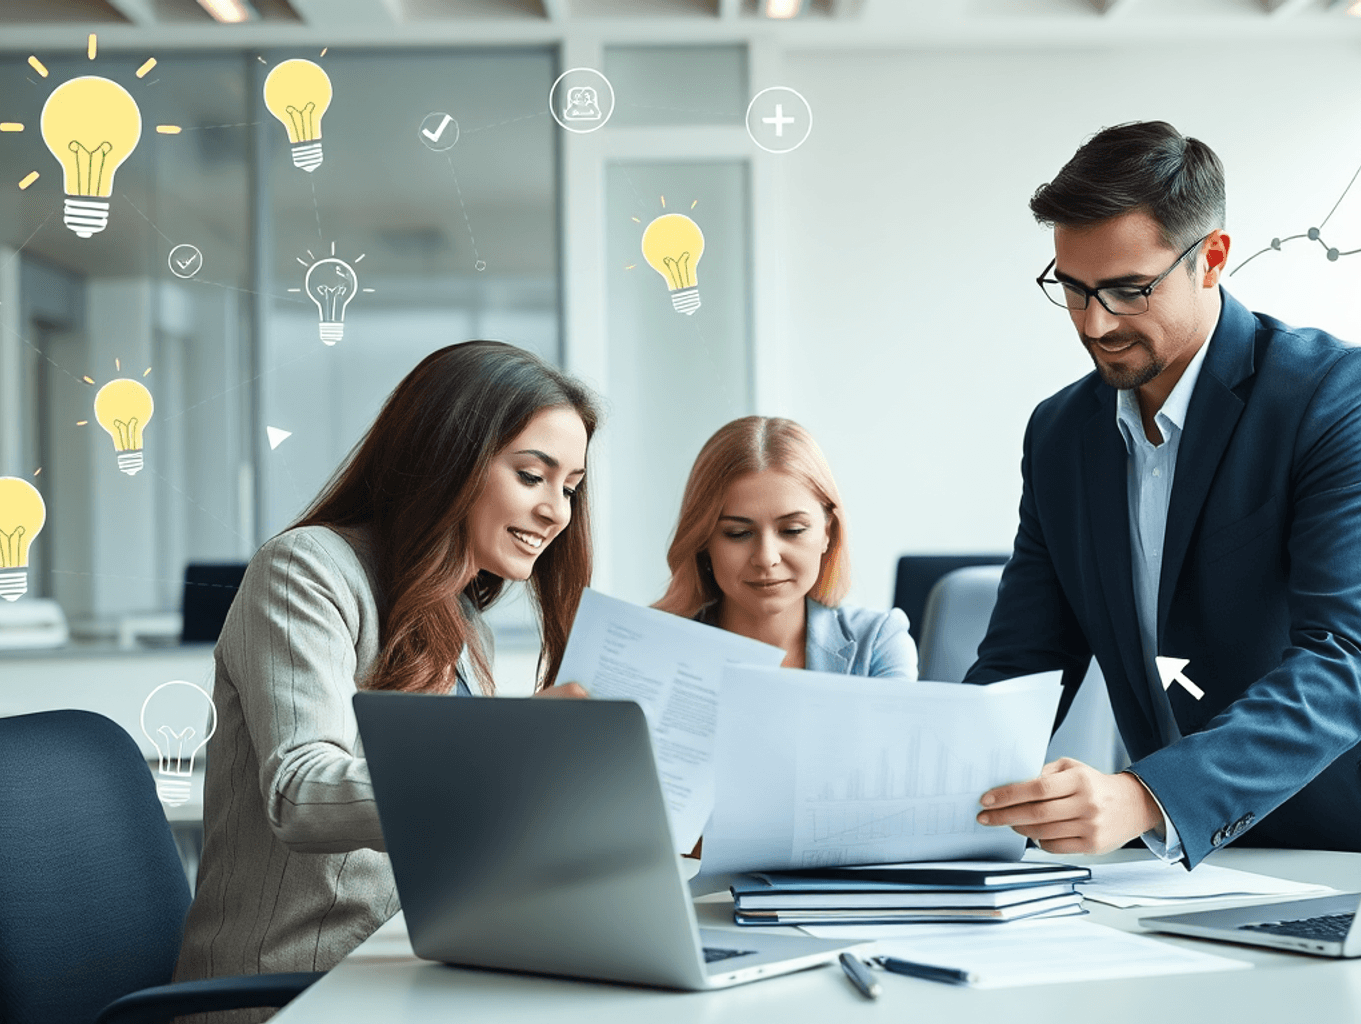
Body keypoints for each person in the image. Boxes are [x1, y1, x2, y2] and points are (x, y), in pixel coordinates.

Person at [967, 121, 1361, 870]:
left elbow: (1344, 659)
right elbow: (1020, 664)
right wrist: (919, 800)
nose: (1095, 323)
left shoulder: (1336, 396)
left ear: (1211, 258)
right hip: (1188, 861)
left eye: (1129, 290)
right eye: (1072, 288)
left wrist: (1147, 796)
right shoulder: (1060, 433)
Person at [173, 341, 597, 1017]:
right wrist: (510, 753)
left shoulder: (464, 624)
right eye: (532, 476)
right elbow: (300, 792)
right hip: (292, 991)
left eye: (569, 487)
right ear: (449, 457)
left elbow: (449, 823)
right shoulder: (305, 570)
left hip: (410, 968)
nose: (558, 512)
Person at [655, 416, 917, 679]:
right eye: (738, 533)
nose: (766, 558)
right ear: (703, 542)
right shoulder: (657, 648)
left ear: (828, 533)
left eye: (793, 530)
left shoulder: (878, 643)